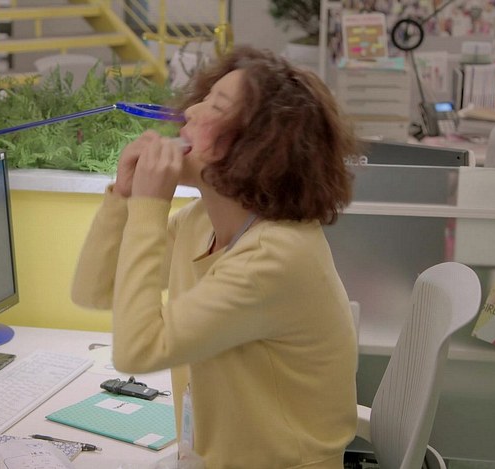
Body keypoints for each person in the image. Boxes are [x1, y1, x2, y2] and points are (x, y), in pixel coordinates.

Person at [72, 45, 359, 468]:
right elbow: (95, 290)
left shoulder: (275, 256)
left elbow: (137, 352)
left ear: (258, 147)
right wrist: (123, 197)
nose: (191, 111)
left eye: (216, 106)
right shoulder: (202, 221)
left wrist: (150, 204)